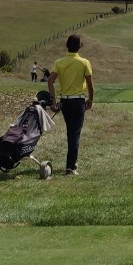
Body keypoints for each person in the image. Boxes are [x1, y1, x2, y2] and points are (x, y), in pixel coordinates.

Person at [46, 33, 94, 175]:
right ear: (80, 46)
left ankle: (72, 162)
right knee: (75, 134)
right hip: (78, 101)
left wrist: (53, 101)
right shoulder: (84, 62)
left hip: (65, 101)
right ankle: (70, 167)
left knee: (70, 132)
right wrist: (90, 100)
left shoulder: (59, 62)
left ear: (66, 46)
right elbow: (90, 85)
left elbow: (50, 81)